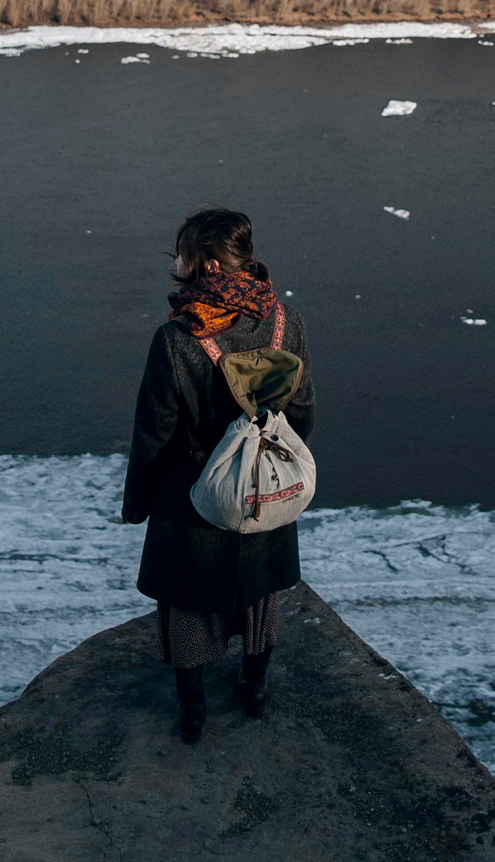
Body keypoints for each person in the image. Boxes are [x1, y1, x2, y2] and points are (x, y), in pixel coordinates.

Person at [121, 207, 317, 743]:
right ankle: (253, 692)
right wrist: (275, 469)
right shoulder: (283, 319)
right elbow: (302, 411)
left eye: (181, 253)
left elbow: (154, 434)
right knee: (259, 598)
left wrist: (138, 502)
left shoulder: (178, 339)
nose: (175, 263)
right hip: (262, 488)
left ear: (204, 264)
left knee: (186, 609)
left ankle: (193, 714)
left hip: (193, 496)